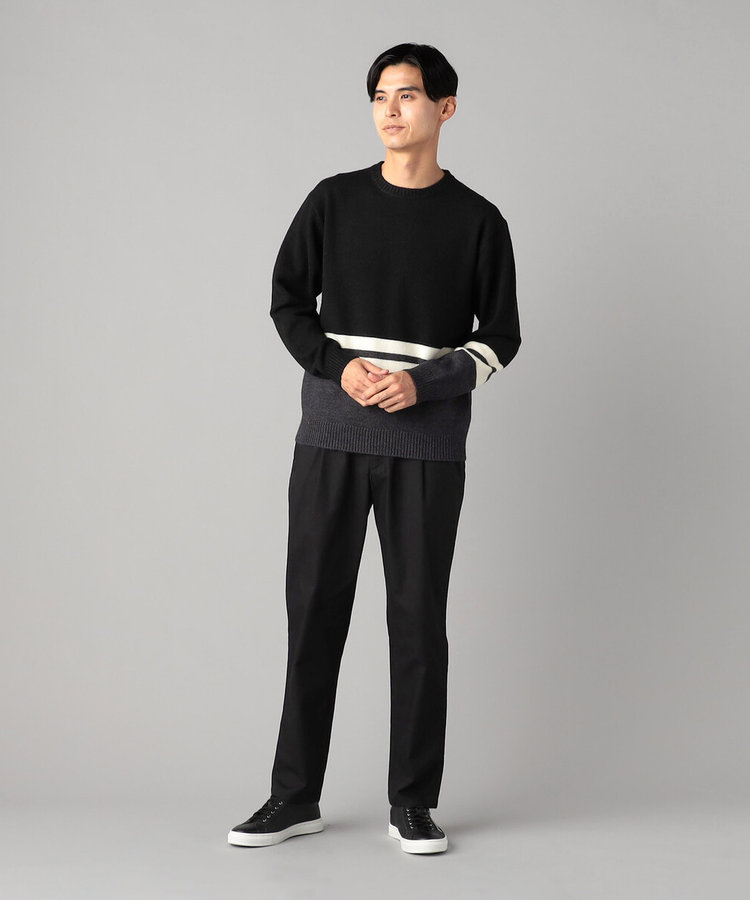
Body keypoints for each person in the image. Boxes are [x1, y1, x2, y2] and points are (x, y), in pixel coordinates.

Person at [228, 41, 521, 855]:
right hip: (330, 436)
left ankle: (413, 804)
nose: (391, 110)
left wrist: (425, 385)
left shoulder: (478, 221)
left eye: (408, 95)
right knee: (313, 612)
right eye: (379, 96)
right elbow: (288, 302)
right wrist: (338, 366)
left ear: (445, 108)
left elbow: (501, 336)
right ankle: (293, 798)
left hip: (427, 449)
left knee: (418, 624)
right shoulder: (332, 202)